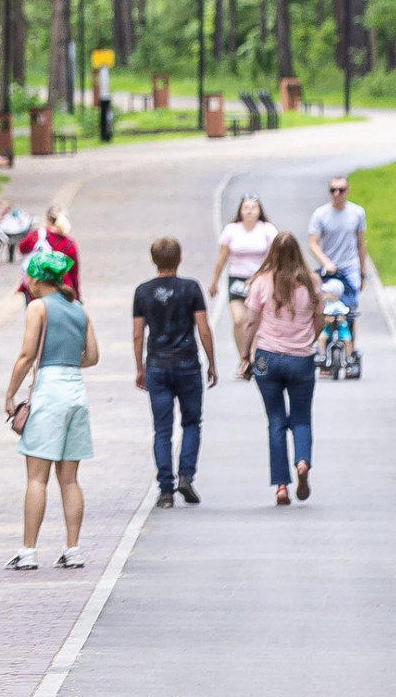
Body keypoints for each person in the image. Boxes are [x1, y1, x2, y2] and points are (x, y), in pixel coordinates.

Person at [2, 243, 97, 569]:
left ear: (38, 278)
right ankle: (73, 549)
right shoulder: (79, 308)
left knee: (36, 479)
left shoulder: (38, 308)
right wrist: (67, 361)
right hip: (76, 393)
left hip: (49, 393)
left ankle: (28, 551)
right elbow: (93, 356)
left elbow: (27, 356)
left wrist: (10, 394)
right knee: (69, 479)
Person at [130, 235, 218, 506]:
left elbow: (137, 334)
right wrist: (212, 361)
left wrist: (139, 367)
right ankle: (186, 477)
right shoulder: (191, 289)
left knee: (162, 429)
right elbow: (203, 327)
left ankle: (165, 490)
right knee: (191, 423)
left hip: (157, 365)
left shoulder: (143, 291)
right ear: (180, 259)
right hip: (187, 365)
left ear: (152, 260)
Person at [240, 231, 322, 505]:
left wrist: (245, 354)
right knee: (301, 419)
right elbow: (320, 318)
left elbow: (250, 322)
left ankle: (281, 487)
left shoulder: (262, 282)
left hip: (268, 358)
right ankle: (302, 462)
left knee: (275, 421)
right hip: (301, 358)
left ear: (272, 253)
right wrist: (309, 337)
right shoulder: (312, 283)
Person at [210, 195, 280, 371]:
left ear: (260, 211)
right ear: (240, 211)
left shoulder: (267, 229)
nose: (249, 211)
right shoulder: (232, 230)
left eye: (253, 207)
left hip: (260, 279)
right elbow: (222, 257)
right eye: (246, 208)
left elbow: (276, 255)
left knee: (256, 320)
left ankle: (256, 356)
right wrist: (214, 282)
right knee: (239, 320)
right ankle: (243, 356)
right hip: (237, 279)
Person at [309, 175, 370, 372]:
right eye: (333, 190)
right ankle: (324, 351)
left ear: (347, 191)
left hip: (349, 267)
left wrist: (362, 271)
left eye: (341, 190)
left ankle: (349, 351)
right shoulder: (321, 214)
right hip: (330, 270)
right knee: (326, 309)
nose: (337, 194)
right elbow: (313, 244)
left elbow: (361, 243)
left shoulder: (357, 213)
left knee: (350, 311)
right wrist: (326, 262)